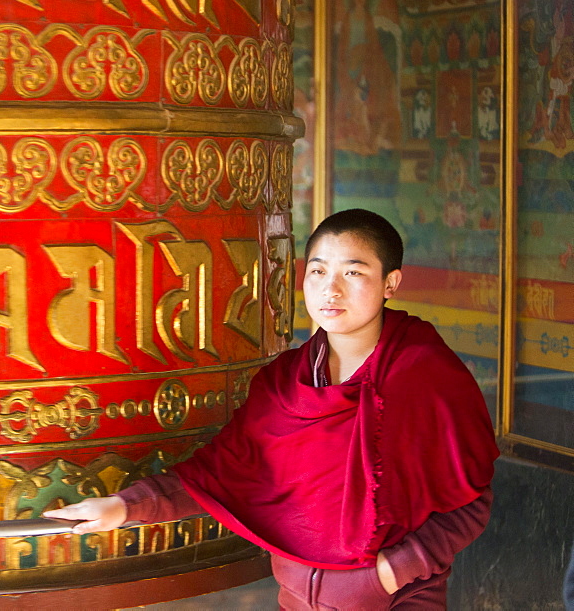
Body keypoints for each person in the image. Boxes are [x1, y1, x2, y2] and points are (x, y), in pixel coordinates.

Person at [45, 209, 498, 610]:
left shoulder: (425, 373)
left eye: (354, 273)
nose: (331, 290)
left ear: (390, 284)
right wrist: (124, 507)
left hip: (396, 598)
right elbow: (222, 475)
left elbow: (471, 500)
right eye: (317, 272)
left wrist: (392, 571)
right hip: (297, 597)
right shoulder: (287, 382)